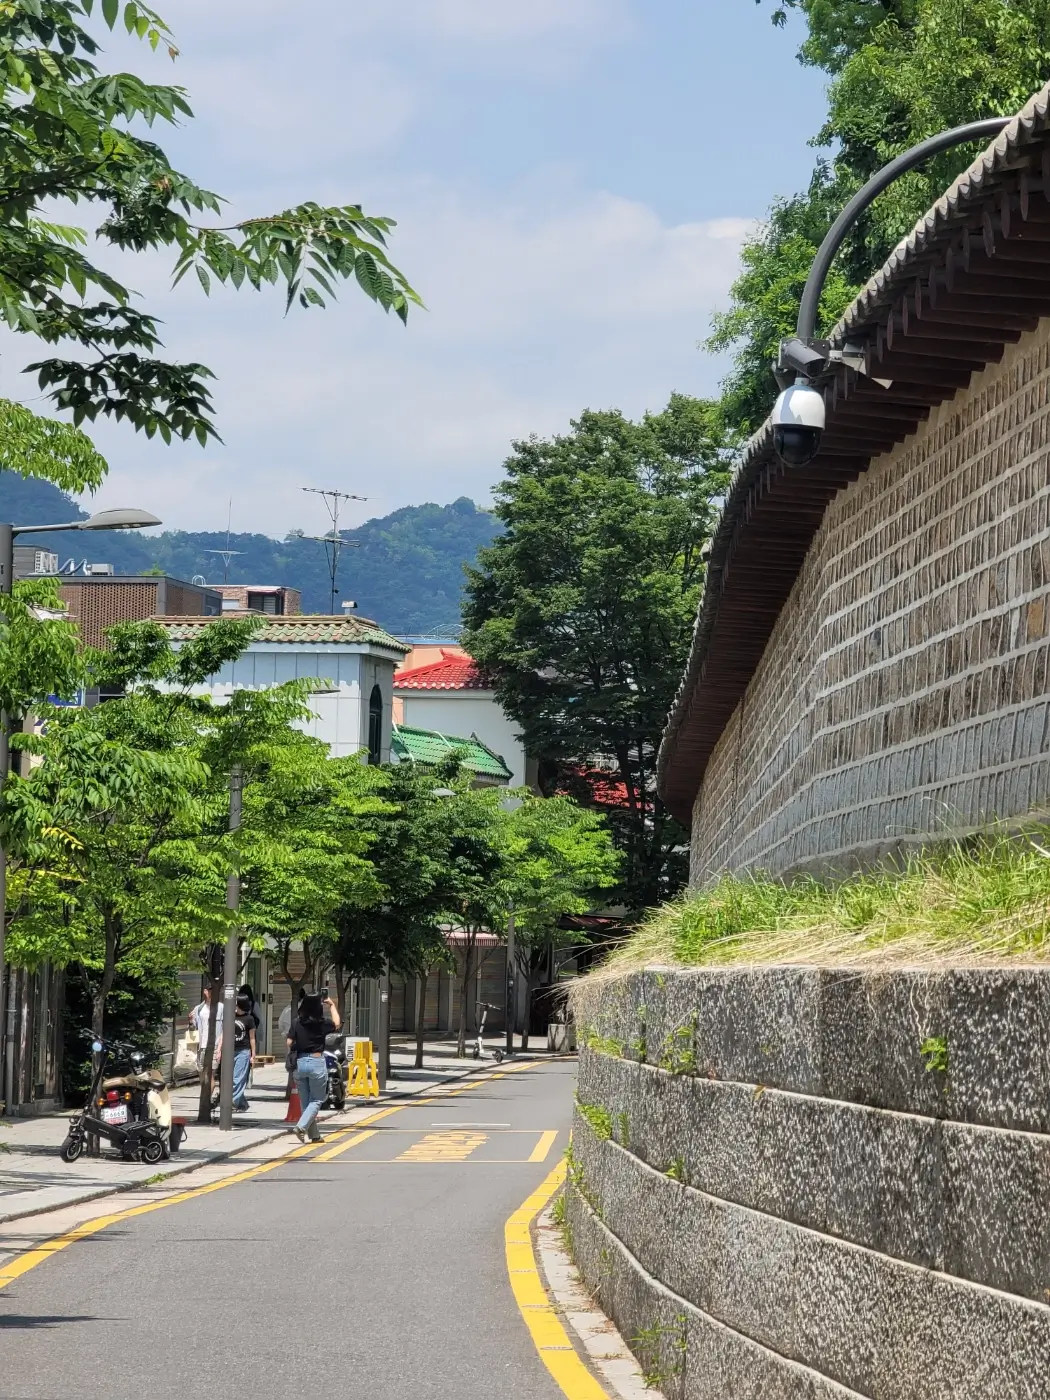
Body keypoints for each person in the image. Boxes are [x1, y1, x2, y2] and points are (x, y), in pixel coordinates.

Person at [287, 992, 341, 1143]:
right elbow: (337, 1023)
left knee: (306, 1103)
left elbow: (289, 1043)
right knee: (317, 1100)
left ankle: (315, 1136)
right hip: (316, 1062)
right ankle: (301, 1127)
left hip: (300, 1063)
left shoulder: (296, 1022)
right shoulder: (321, 1023)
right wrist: (332, 1005)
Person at [216, 993, 257, 1113]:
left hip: (243, 1051)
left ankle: (231, 1102)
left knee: (237, 1078)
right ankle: (242, 1104)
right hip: (229, 1051)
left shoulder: (249, 1019)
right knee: (227, 1079)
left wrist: (253, 1054)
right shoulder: (230, 1016)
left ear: (240, 1004)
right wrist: (219, 1050)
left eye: (235, 1003)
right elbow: (223, 1034)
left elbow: (252, 1038)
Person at [190, 987, 222, 1080]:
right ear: (205, 991)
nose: (211, 993)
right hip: (201, 1046)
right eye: (209, 990)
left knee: (211, 1074)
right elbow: (192, 1029)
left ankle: (207, 1094)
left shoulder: (221, 1007)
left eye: (214, 990)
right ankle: (204, 1094)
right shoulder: (198, 1009)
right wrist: (190, 1021)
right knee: (202, 1074)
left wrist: (219, 1049)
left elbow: (224, 1030)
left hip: (215, 1046)